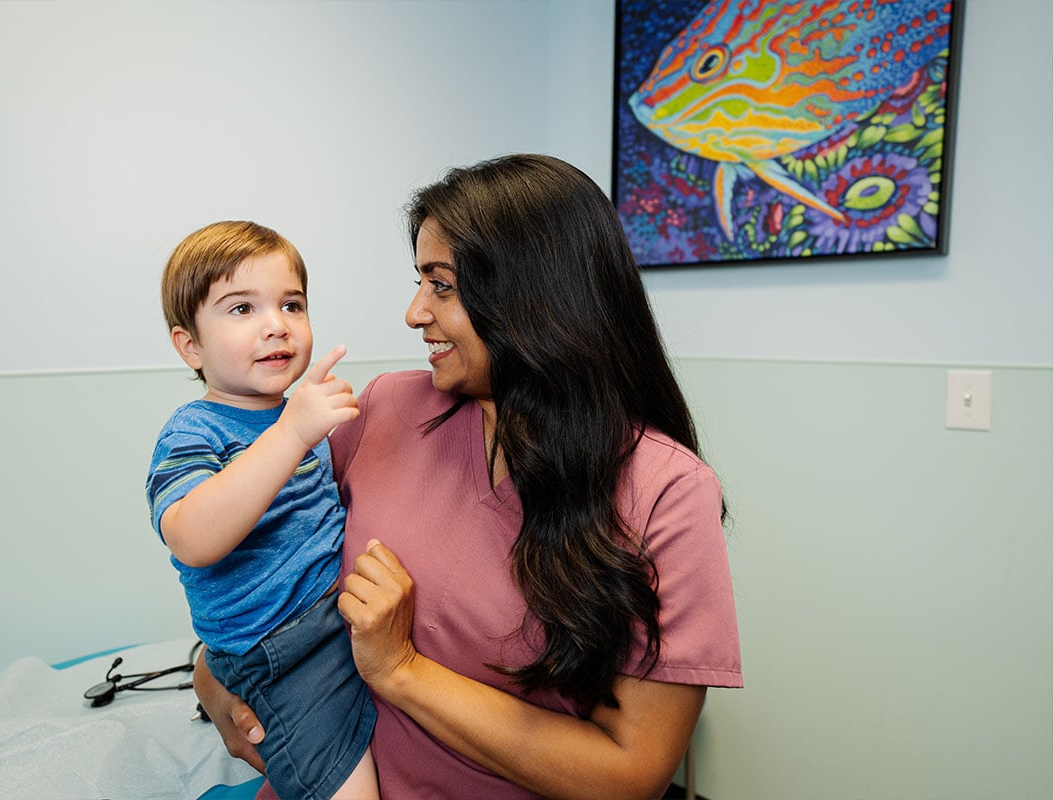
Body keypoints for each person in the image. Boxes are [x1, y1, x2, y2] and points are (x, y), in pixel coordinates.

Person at [194, 155, 742, 800]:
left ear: (536, 296)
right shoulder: (386, 409)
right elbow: (253, 571)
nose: (414, 312)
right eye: (419, 281)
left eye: (441, 285)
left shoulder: (664, 491)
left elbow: (632, 773)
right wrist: (213, 675)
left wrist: (401, 670)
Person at [146, 221, 378, 800]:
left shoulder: (304, 417)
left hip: (340, 623)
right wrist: (291, 434)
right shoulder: (194, 430)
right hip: (279, 654)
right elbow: (192, 538)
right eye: (242, 308)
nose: (276, 324)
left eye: (291, 304)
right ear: (190, 345)